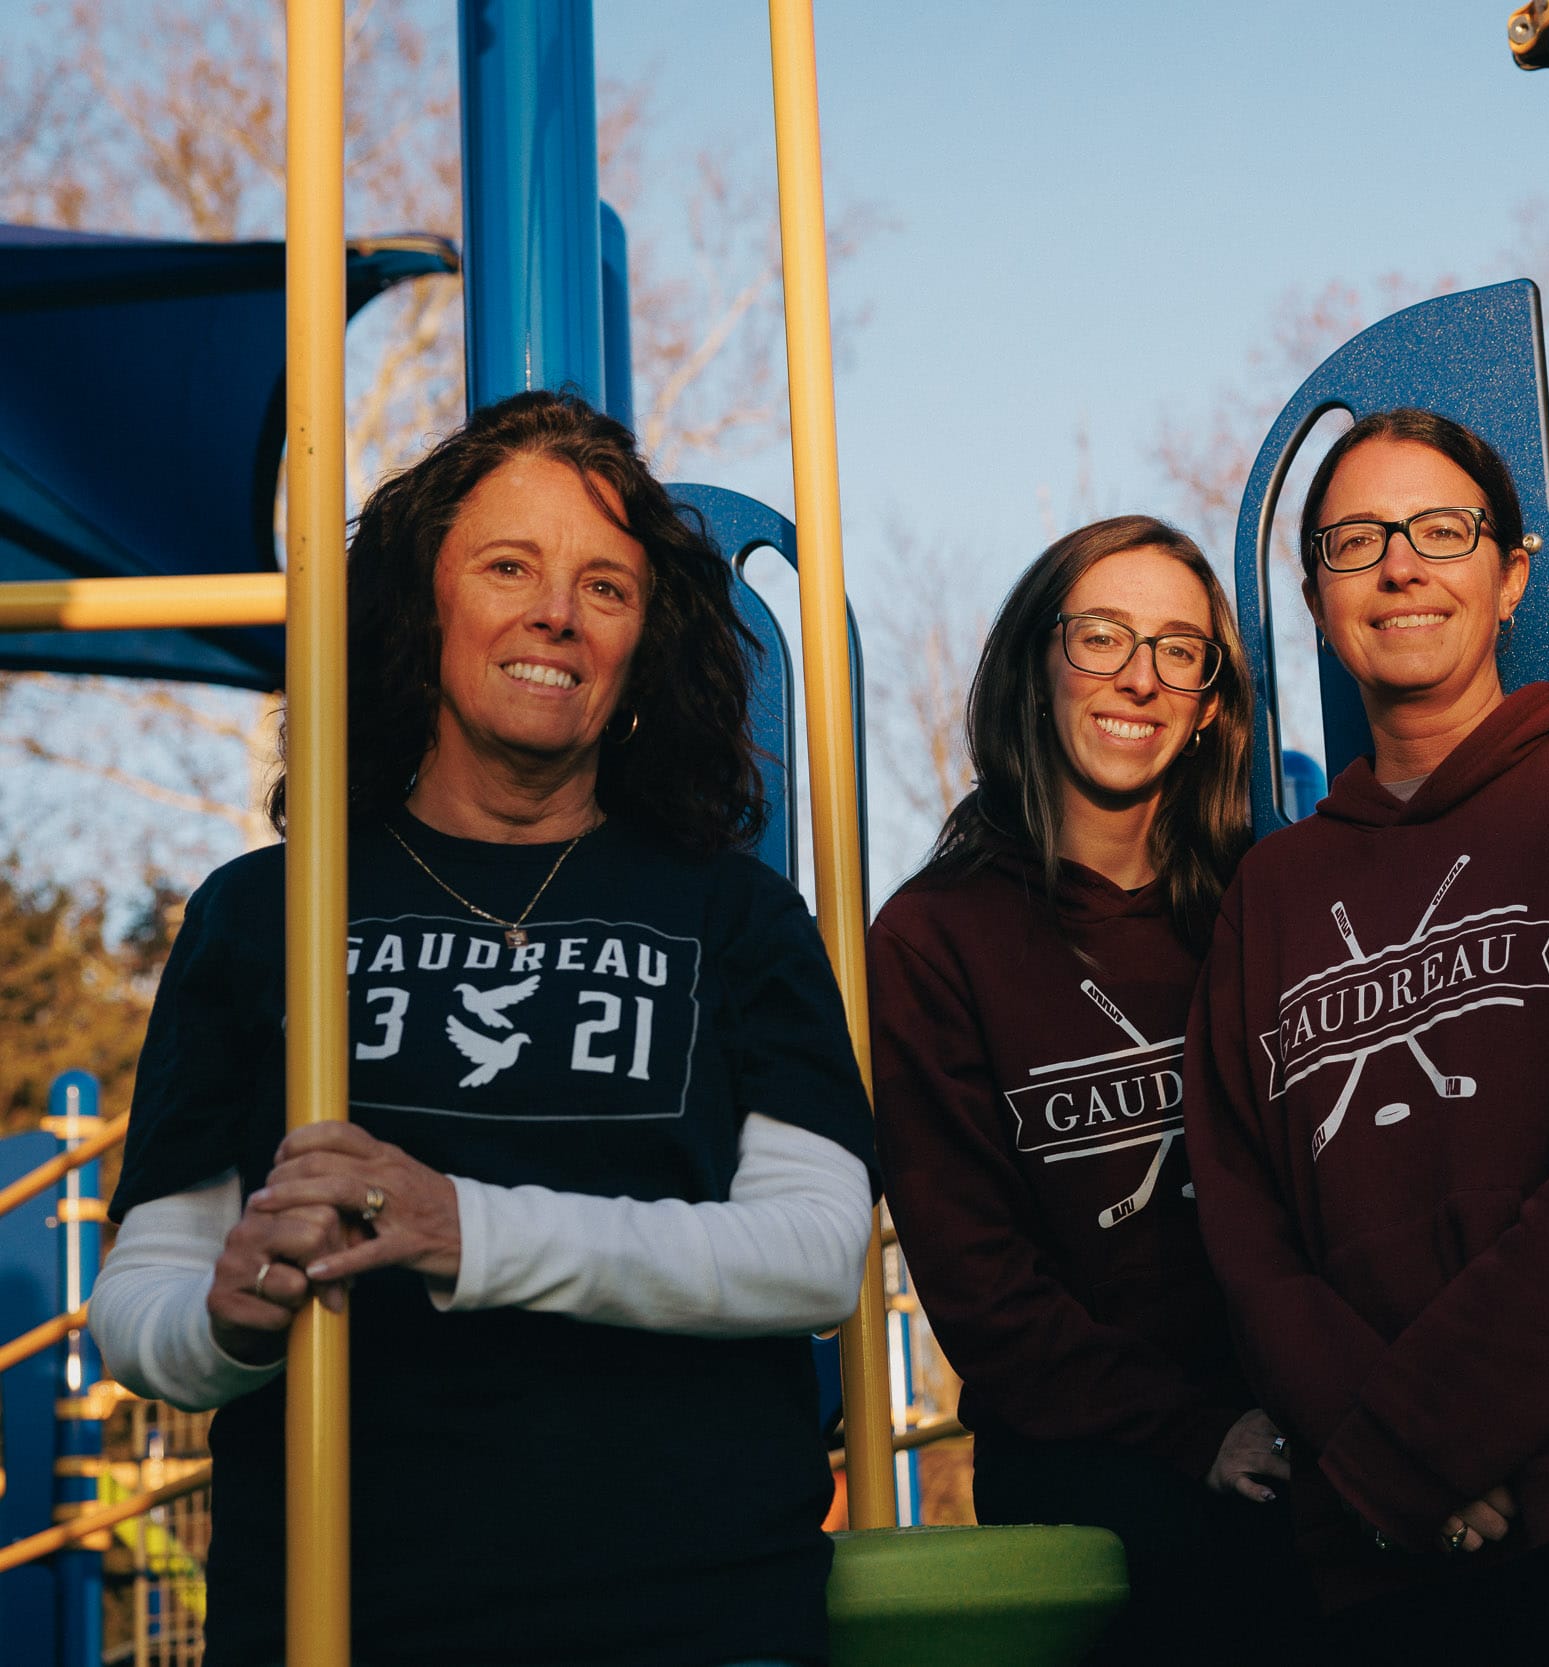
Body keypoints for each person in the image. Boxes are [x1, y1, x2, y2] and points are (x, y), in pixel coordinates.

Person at [88, 391, 879, 1667]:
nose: (555, 612)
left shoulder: (734, 911)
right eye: (508, 565)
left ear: (643, 643)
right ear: (424, 608)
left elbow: (809, 1254)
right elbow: (139, 1311)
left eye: (605, 586)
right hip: (340, 1612)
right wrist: (224, 1317)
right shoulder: (265, 911)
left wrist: (463, 1226)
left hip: (691, 1607)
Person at [1184, 409, 1549, 1661]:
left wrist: (1426, 1437)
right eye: (1354, 541)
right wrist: (1384, 1453)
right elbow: (1245, 1232)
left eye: (1440, 530)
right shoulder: (1269, 896)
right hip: (1374, 1545)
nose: (1398, 566)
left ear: (1511, 574)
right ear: (1318, 595)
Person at [868, 515, 1303, 1665]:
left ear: (1212, 701)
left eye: (1178, 649)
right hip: (1091, 1457)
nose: (1139, 678)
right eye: (1102, 636)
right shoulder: (934, 938)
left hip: (1298, 1418)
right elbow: (978, 1280)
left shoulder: (1266, 899)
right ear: (1035, 664)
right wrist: (1196, 1431)